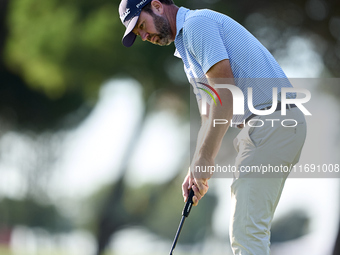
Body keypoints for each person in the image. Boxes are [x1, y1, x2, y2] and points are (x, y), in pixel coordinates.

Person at [119, 0, 307, 254]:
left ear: (157, 5)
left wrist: (205, 159)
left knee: (246, 232)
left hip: (273, 121)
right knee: (246, 230)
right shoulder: (186, 47)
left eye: (142, 25)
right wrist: (196, 166)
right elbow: (209, 114)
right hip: (265, 126)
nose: (143, 36)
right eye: (138, 33)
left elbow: (224, 95)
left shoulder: (197, 25)